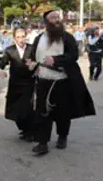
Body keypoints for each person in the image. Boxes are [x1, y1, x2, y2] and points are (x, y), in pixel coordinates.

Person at [28, 10, 96, 155]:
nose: (57, 20)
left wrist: (56, 60)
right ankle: (42, 142)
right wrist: (31, 62)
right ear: (46, 21)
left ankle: (62, 136)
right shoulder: (40, 37)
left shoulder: (67, 38)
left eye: (58, 17)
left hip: (62, 81)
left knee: (62, 113)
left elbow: (73, 56)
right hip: (43, 80)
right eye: (53, 18)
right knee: (42, 112)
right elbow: (33, 54)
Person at [0, 27, 37, 141]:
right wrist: (0, 70)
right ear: (14, 39)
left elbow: (38, 62)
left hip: (29, 83)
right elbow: (2, 63)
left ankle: (30, 132)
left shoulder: (32, 49)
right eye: (18, 37)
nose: (21, 39)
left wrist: (34, 65)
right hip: (15, 84)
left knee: (27, 109)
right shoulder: (10, 50)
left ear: (26, 37)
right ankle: (23, 129)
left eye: (23, 36)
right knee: (15, 109)